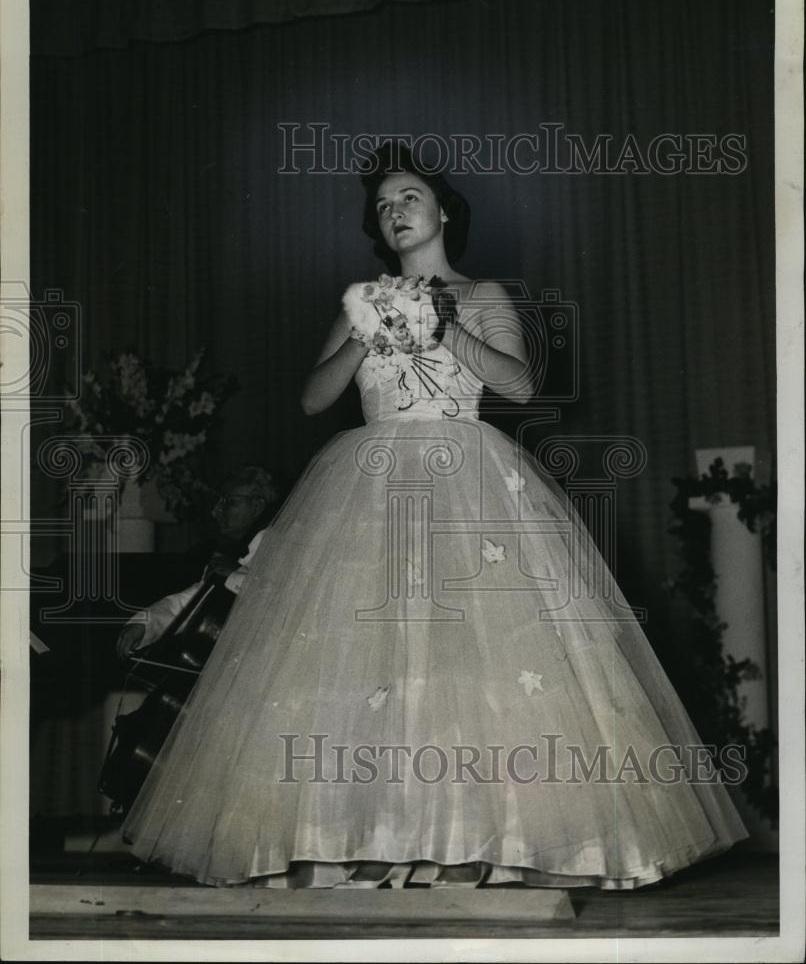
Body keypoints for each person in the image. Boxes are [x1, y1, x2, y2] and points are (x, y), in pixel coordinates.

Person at [122, 146, 747, 890]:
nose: (396, 210)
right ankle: (360, 838)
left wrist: (442, 325)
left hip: (466, 482)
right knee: (364, 668)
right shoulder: (358, 300)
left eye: (409, 195)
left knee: (470, 662)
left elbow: (519, 387)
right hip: (369, 486)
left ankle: (484, 843)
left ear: (443, 210)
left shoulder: (481, 294)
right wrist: (364, 329)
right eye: (384, 205)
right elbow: (313, 401)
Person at [116, 466, 281, 660]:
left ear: (257, 506)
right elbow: (193, 600)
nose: (215, 510)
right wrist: (144, 625)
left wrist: (232, 576)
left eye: (228, 501)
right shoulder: (229, 552)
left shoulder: (280, 545)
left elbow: (279, 598)